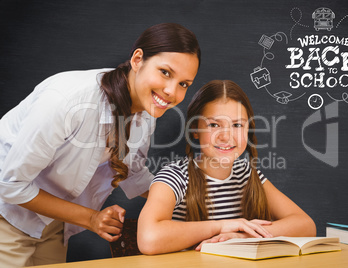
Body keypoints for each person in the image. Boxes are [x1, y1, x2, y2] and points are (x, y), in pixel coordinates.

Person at [0, 23, 200, 267]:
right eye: (165, 72)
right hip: (5, 214)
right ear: (138, 59)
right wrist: (92, 218)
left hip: (51, 222)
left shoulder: (147, 111)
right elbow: (11, 186)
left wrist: (197, 203)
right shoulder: (66, 102)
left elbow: (133, 174)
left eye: (184, 84)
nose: (171, 91)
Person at [137, 80, 316, 255]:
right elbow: (148, 239)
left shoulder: (246, 174)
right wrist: (222, 226)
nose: (226, 136)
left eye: (237, 125)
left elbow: (306, 225)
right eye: (214, 125)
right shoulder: (174, 177)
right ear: (195, 131)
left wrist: (242, 235)